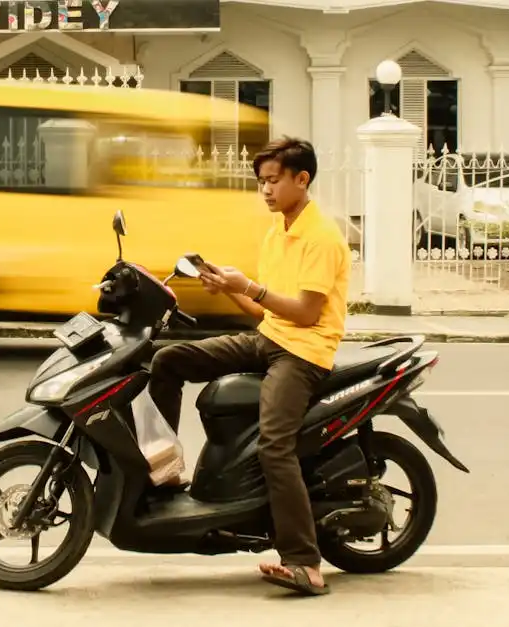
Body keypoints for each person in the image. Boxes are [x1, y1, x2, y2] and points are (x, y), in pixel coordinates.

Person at [147, 136, 351, 596]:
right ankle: (163, 469)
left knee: (274, 446)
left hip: (304, 351)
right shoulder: (278, 229)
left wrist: (251, 287)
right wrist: (227, 286)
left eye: (273, 181)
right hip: (270, 338)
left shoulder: (321, 236)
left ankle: (304, 562)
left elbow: (305, 313)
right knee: (168, 360)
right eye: (261, 181)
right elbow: (266, 312)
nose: (265, 190)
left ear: (302, 179)